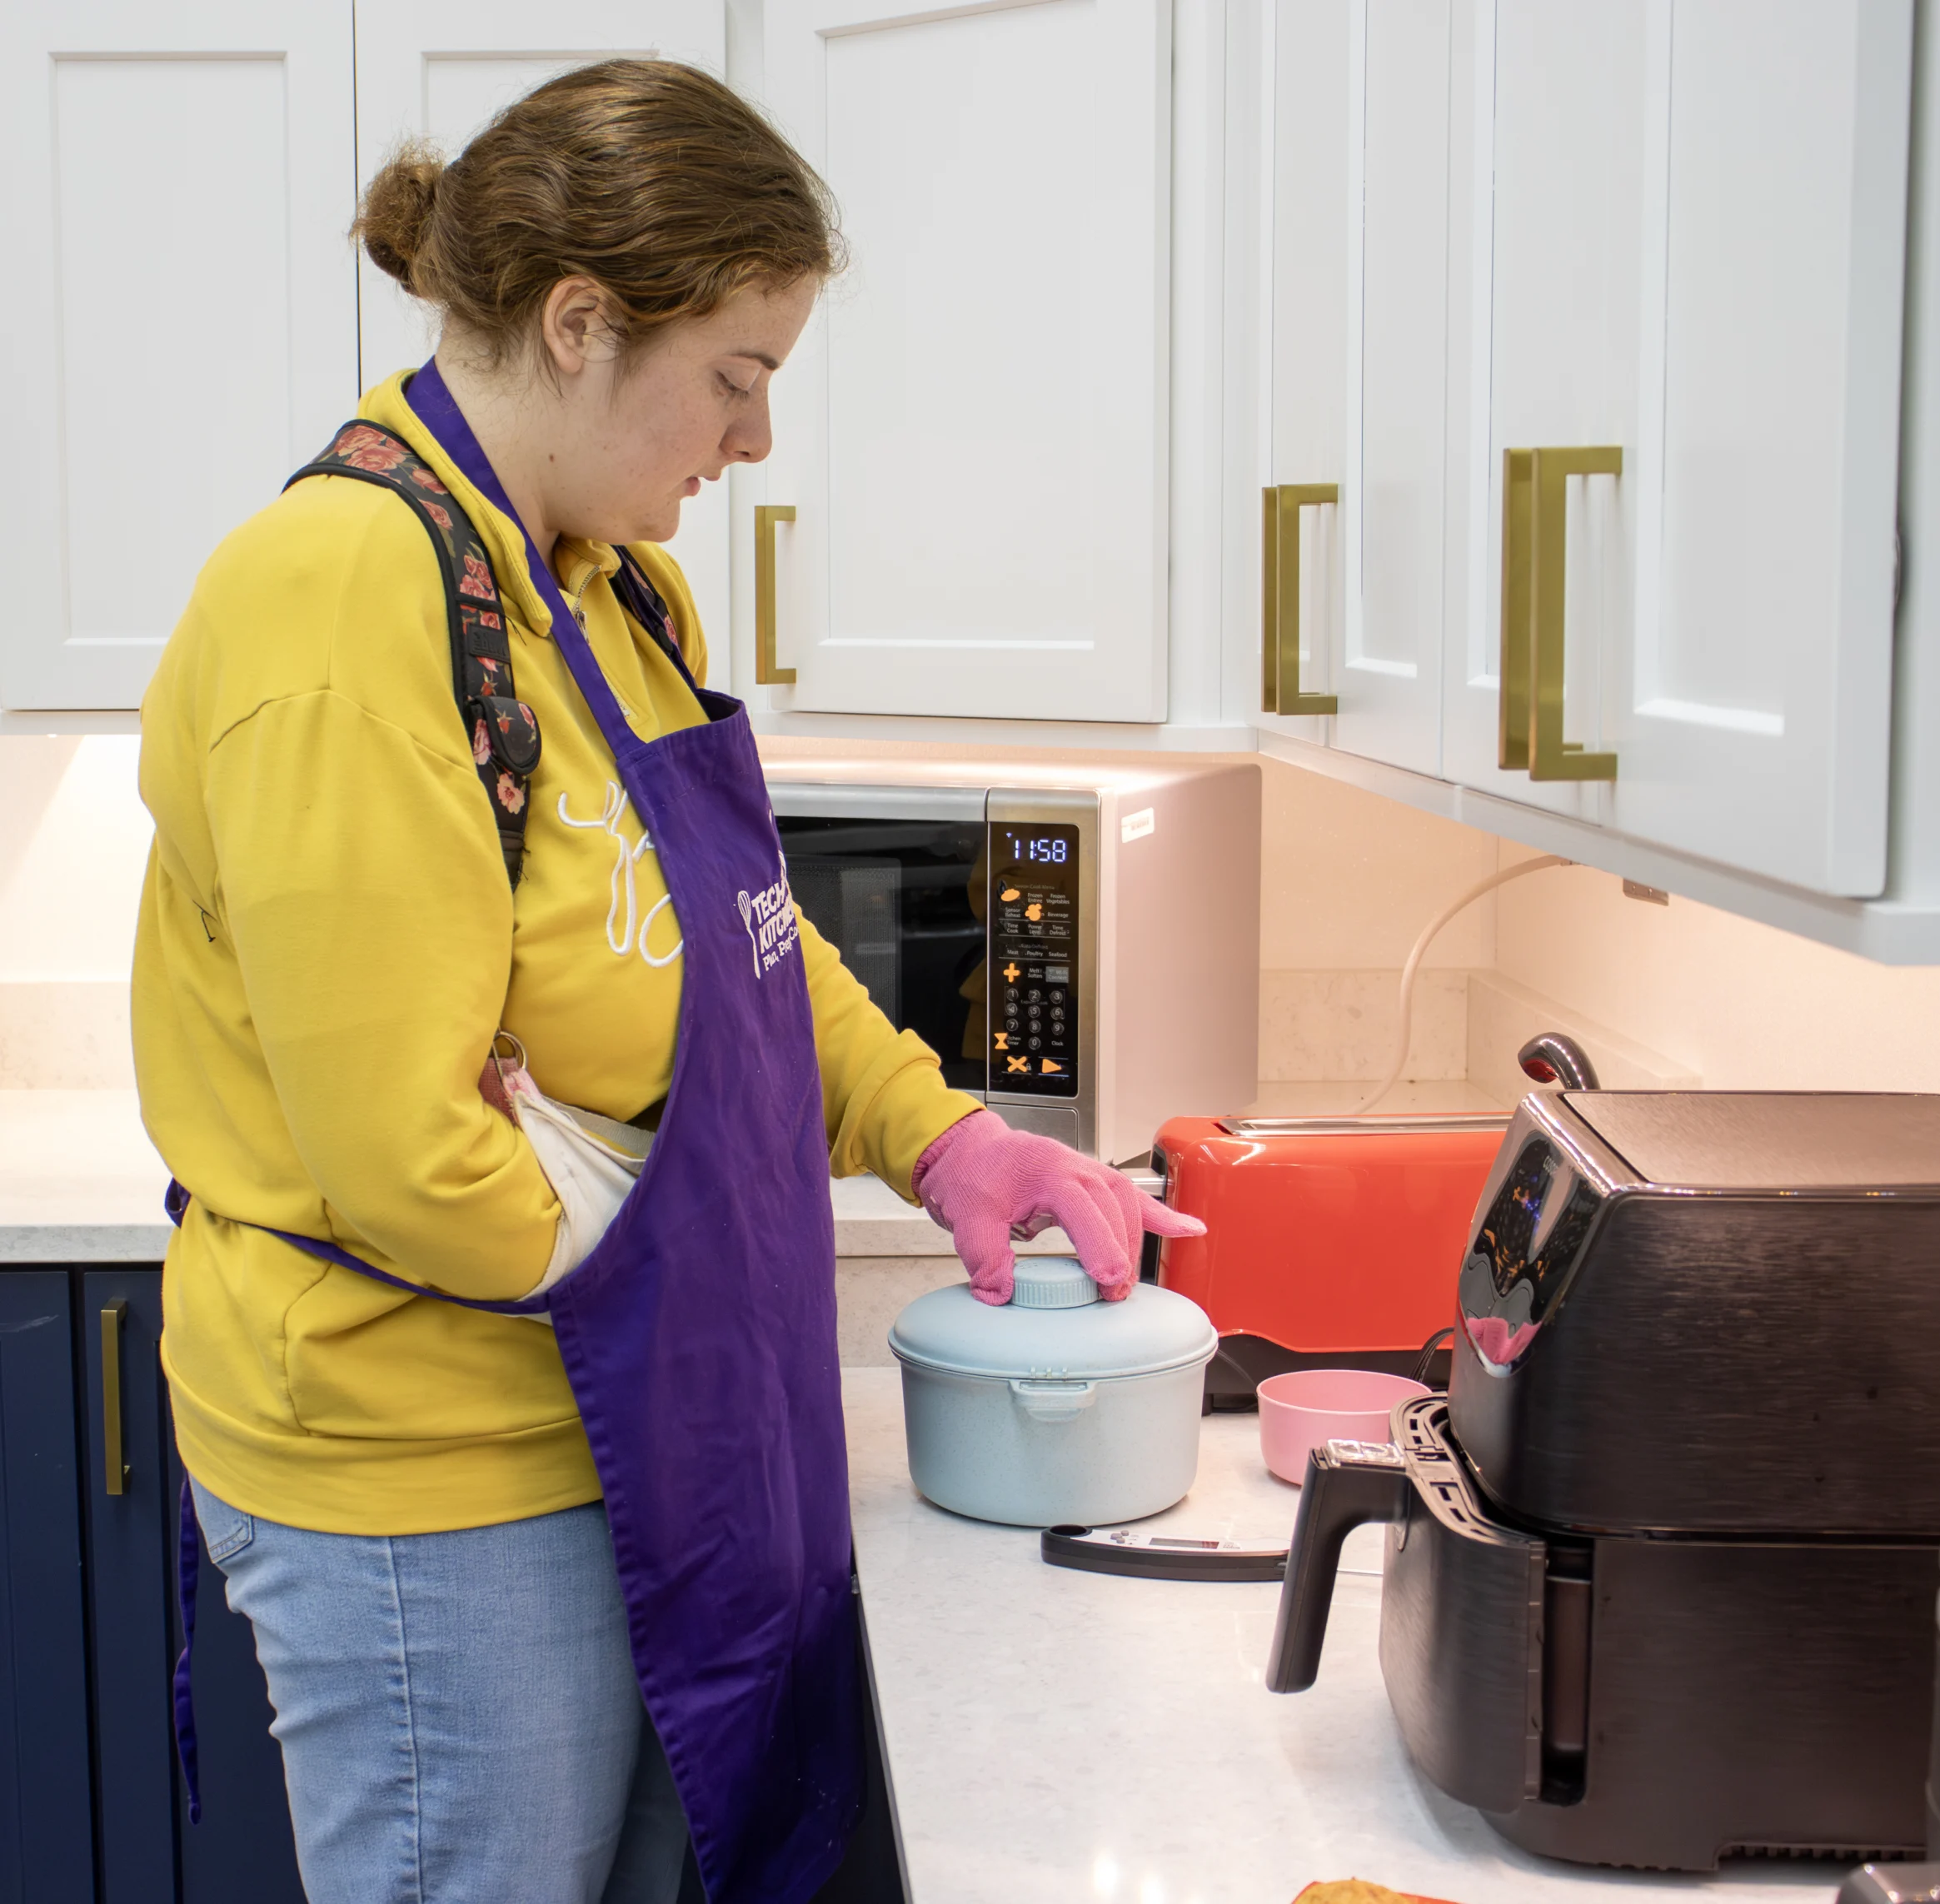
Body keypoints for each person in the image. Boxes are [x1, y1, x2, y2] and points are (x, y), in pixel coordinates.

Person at [132, 59, 1200, 1904]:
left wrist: (941, 1139)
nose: (758, 439)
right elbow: (407, 1155)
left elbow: (744, 973)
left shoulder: (613, 591)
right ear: (575, 325)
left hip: (633, 1433)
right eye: (738, 376)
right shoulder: (338, 603)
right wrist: (702, 1249)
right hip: (429, 1471)